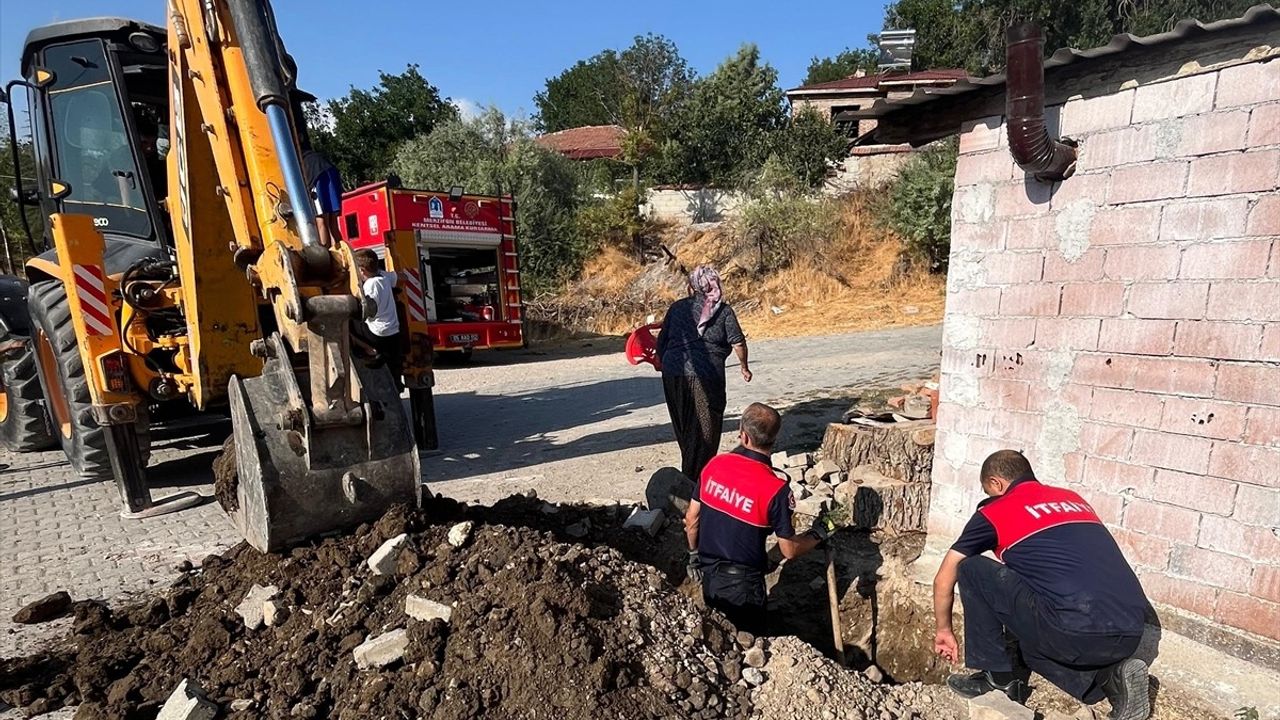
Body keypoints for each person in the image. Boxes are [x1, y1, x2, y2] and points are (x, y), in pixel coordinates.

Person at [933, 450, 1151, 720]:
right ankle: (1111, 678)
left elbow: (944, 578)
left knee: (971, 568)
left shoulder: (995, 511)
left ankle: (997, 680)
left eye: (988, 491)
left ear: (996, 483)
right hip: (1130, 632)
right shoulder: (1073, 499)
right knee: (1032, 635)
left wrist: (944, 630)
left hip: (1074, 632)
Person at [683, 402, 831, 635]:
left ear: (743, 436)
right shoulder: (776, 489)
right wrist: (817, 534)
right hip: (745, 588)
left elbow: (692, 519)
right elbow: (789, 550)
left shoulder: (714, 465)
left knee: (721, 642)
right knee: (752, 645)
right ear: (774, 438)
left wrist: (693, 555)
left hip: (709, 578)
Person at [656, 265, 752, 483]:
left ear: (692, 287)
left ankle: (691, 476)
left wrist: (662, 361)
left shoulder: (677, 308)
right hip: (705, 376)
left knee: (684, 425)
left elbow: (662, 340)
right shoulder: (724, 311)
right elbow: (738, 343)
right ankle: (695, 481)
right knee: (705, 430)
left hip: (673, 374)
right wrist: (744, 367)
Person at [353, 249, 403, 381]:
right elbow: (403, 277)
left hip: (377, 333)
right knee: (393, 370)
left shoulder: (370, 285)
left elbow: (369, 309)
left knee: (348, 324)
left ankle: (370, 349)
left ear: (362, 270)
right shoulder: (384, 278)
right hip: (393, 331)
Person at [302, 148, 343, 248]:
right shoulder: (314, 154)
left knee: (321, 221)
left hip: (316, 174)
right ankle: (342, 253)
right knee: (333, 222)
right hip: (330, 171)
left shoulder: (298, 159)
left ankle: (326, 254)